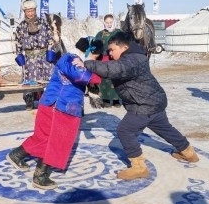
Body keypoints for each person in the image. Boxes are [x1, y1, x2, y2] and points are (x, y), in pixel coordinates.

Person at [80, 30, 199, 181]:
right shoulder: (135, 56)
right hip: (155, 102)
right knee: (165, 128)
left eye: (112, 50)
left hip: (143, 105)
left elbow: (113, 69)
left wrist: (87, 63)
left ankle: (139, 167)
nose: (110, 53)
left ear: (124, 47)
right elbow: (109, 62)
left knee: (124, 130)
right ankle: (188, 152)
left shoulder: (130, 61)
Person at [7, 37, 103, 189]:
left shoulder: (72, 59)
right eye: (95, 58)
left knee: (43, 137)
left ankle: (16, 155)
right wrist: (97, 74)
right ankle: (40, 176)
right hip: (60, 106)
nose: (94, 63)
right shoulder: (71, 59)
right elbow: (81, 76)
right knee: (56, 141)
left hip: (55, 104)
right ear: (89, 52)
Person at [14, 0, 61, 110]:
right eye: (28, 11)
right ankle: (29, 101)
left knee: (47, 80)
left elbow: (50, 39)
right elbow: (17, 42)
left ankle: (48, 101)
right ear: (24, 12)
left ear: (35, 10)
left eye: (32, 10)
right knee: (29, 81)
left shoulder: (43, 24)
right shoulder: (21, 27)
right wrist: (19, 54)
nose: (30, 13)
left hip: (44, 57)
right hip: (29, 58)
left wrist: (50, 51)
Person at [94, 13, 121, 107]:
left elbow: (124, 44)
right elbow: (95, 45)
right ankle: (106, 100)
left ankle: (117, 100)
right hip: (104, 59)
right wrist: (100, 51)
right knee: (105, 80)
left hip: (117, 60)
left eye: (111, 22)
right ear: (104, 23)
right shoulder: (100, 34)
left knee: (116, 78)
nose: (109, 24)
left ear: (114, 22)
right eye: (107, 22)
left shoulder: (119, 33)